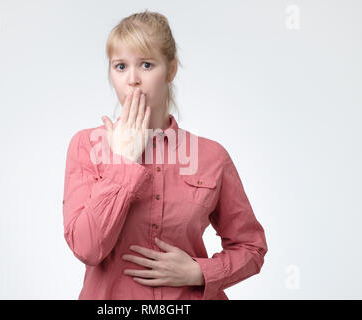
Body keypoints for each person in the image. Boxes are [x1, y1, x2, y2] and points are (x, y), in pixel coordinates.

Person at [62, 9, 268, 300]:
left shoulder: (212, 156)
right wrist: (123, 163)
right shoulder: (87, 146)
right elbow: (87, 248)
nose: (132, 79)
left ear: (170, 70)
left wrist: (199, 272)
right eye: (120, 66)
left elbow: (251, 247)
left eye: (146, 64)